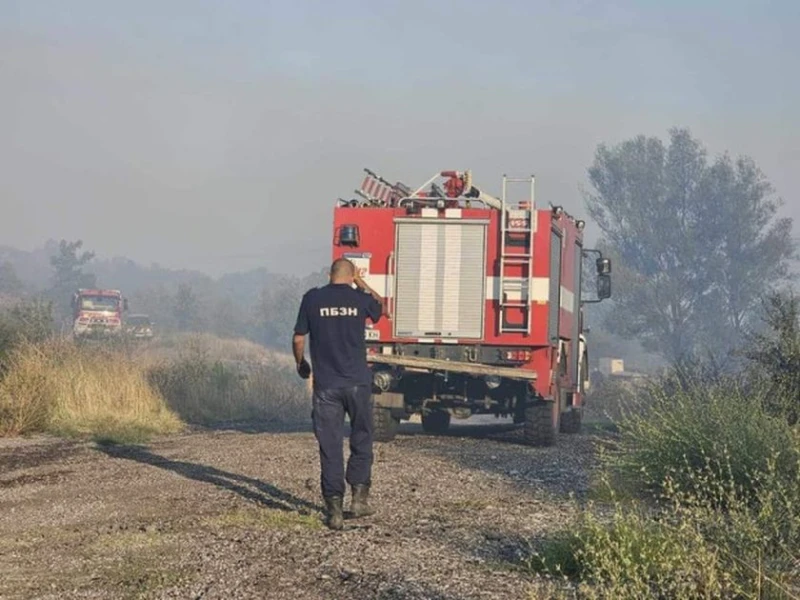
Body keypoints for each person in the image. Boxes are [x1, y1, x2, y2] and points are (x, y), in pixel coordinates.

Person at [292, 258, 385, 530]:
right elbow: (381, 305)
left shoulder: (312, 299)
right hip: (357, 383)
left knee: (330, 446)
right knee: (362, 437)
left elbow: (298, 338)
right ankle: (359, 499)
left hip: (327, 387)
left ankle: (334, 511)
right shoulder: (359, 298)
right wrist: (360, 281)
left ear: (329, 274)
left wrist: (300, 363)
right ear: (351, 275)